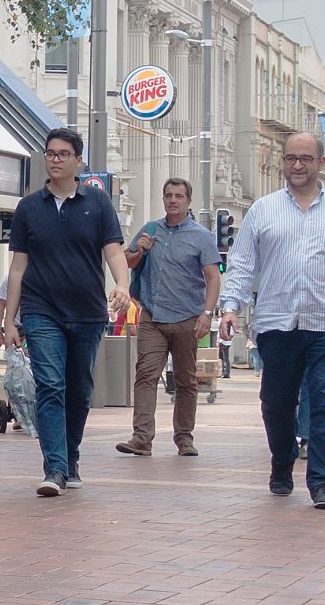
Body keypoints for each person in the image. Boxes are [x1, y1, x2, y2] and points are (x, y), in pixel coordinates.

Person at [219, 131, 325, 511]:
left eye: (305, 158)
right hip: (277, 324)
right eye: (291, 158)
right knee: (276, 404)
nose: (297, 165)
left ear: (322, 162)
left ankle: (323, 483)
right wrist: (230, 307)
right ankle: (282, 459)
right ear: (283, 162)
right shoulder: (263, 210)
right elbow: (242, 264)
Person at [2, 127, 130, 496]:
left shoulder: (98, 204)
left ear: (78, 161)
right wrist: (10, 320)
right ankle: (54, 468)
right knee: (51, 385)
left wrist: (122, 285)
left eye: (62, 154)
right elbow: (18, 268)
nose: (54, 159)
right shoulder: (29, 208)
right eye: (49, 153)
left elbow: (113, 252)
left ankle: (71, 456)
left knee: (78, 390)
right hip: (42, 311)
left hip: (88, 312)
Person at [115, 178, 221, 457]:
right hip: (153, 315)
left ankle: (184, 438)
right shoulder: (151, 229)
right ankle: (141, 438)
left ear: (188, 201)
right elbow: (125, 261)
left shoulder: (201, 236)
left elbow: (213, 277)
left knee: (185, 380)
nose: (172, 200)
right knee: (146, 375)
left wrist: (207, 314)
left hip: (188, 317)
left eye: (178, 196)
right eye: (168, 196)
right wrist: (141, 249)